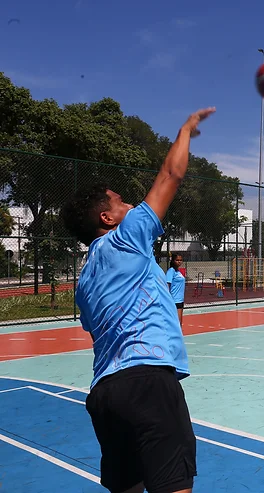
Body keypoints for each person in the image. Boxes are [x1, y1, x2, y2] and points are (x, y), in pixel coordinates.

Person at [60, 107, 215, 493]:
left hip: (104, 394)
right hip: (146, 382)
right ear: (107, 218)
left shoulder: (84, 279)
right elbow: (170, 175)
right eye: (119, 201)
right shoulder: (127, 237)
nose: (130, 205)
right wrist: (184, 131)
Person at [166, 253, 187, 327]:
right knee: (176, 324)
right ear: (173, 261)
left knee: (179, 323)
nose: (179, 262)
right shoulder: (171, 271)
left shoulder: (178, 272)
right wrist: (168, 299)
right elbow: (167, 285)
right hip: (174, 300)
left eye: (180, 260)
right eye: (177, 260)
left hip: (180, 300)